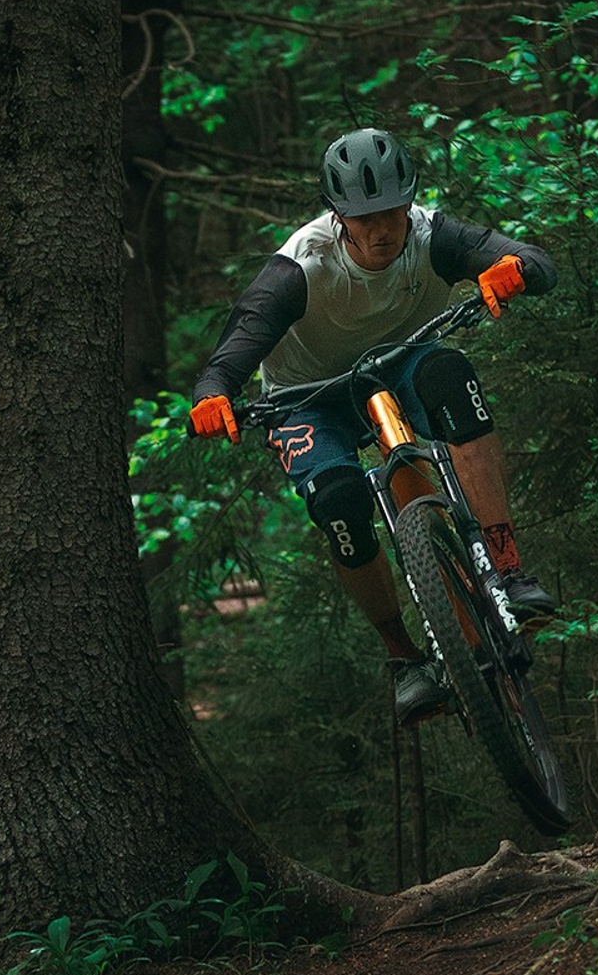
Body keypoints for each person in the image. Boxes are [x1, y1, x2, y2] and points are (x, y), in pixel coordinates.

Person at [189, 128, 558, 728]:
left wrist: (516, 270)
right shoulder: (300, 266)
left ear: (408, 202)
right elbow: (236, 347)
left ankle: (507, 571)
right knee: (338, 500)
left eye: (392, 211)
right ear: (338, 216)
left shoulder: (433, 235)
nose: (382, 229)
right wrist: (212, 396)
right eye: (365, 218)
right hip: (307, 398)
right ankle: (405, 660)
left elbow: (535, 260)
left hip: (402, 362)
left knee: (450, 373)